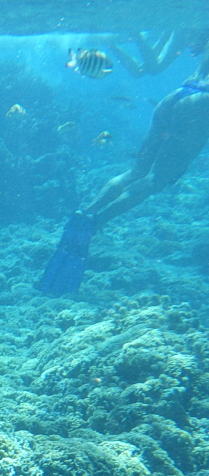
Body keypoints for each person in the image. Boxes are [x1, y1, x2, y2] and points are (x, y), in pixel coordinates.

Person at [39, 41, 209, 296]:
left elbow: (177, 54)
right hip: (201, 104)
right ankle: (94, 224)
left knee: (136, 172)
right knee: (157, 179)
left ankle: (84, 214)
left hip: (178, 94)